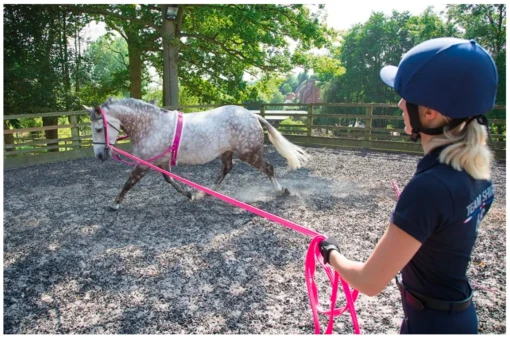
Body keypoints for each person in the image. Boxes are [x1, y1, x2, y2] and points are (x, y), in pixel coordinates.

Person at [319, 37, 497, 334]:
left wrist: (331, 254)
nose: (400, 103)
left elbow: (370, 281)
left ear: (429, 112)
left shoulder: (430, 188)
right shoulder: (477, 171)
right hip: (455, 318)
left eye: (406, 96)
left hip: (430, 324)